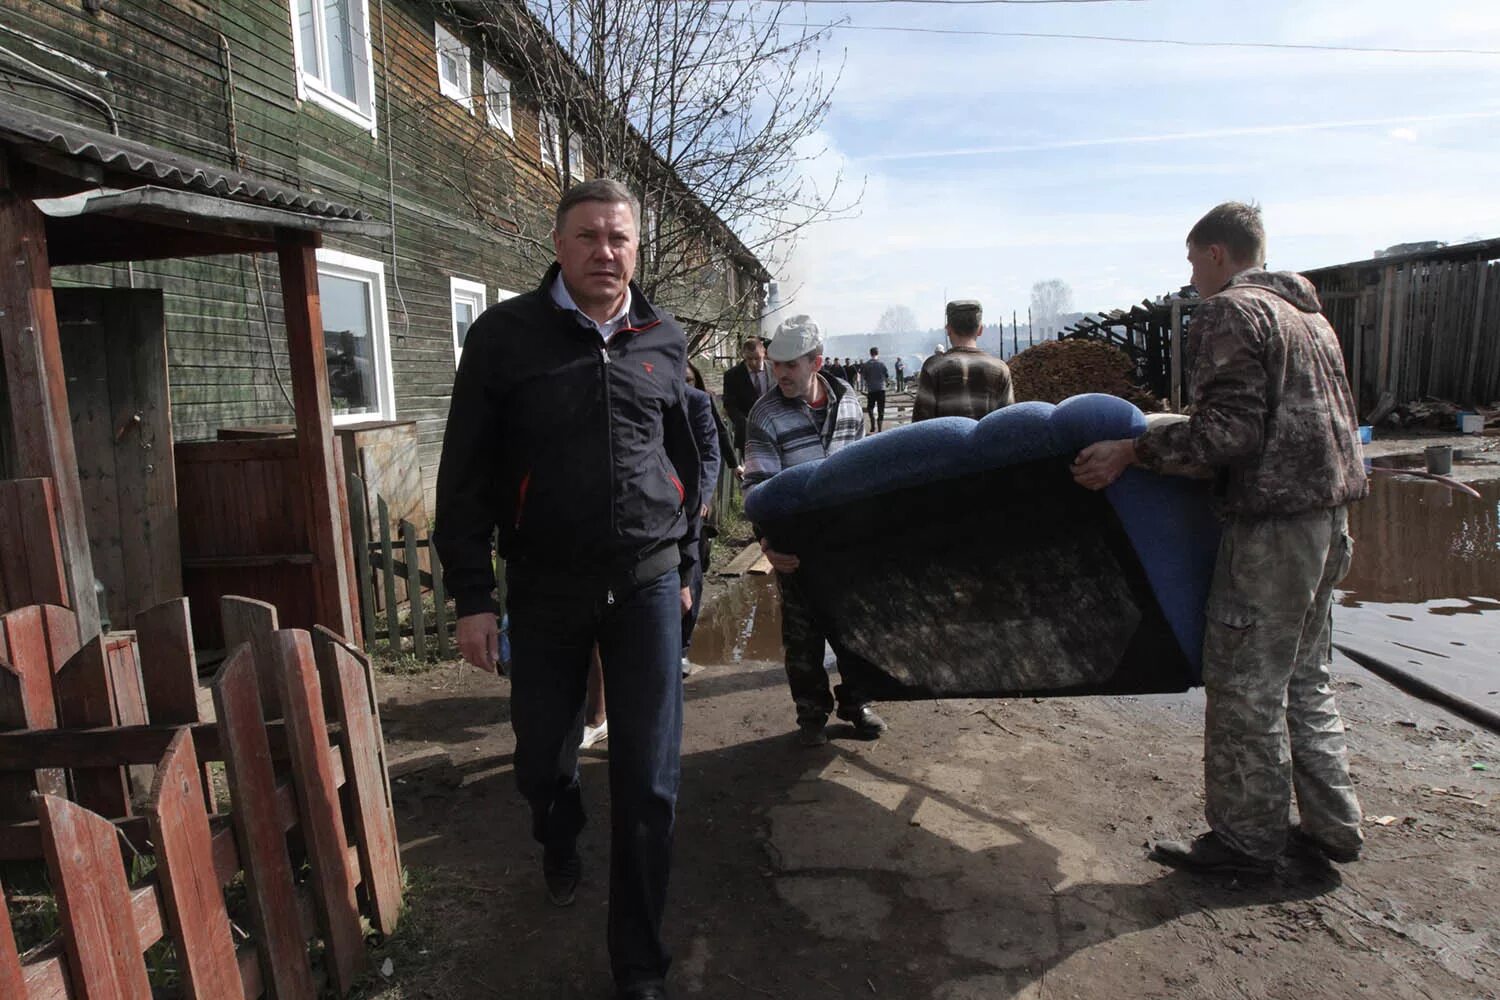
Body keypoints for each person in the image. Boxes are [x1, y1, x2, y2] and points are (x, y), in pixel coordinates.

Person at [434, 177, 700, 1000]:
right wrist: (474, 596)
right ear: (559, 244)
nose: (605, 252)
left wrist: (688, 566)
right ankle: (560, 831)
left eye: (619, 238)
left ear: (635, 248)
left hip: (648, 583)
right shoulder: (504, 337)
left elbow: (689, 455)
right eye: (588, 236)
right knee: (541, 764)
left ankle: (639, 964)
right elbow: (465, 475)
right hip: (545, 589)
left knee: (650, 784)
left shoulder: (664, 336)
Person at [1071, 201, 1367, 876]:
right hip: (1331, 521)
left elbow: (1227, 436)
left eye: (1190, 259)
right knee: (1304, 679)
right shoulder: (1311, 319)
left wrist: (1133, 449)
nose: (1190, 275)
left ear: (1214, 254)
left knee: (1243, 687)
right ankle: (1333, 827)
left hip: (1271, 531)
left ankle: (1245, 843)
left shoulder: (1232, 312)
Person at [742, 315, 888, 746]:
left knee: (853, 627)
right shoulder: (764, 415)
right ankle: (811, 714)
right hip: (797, 543)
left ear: (816, 362)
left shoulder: (849, 402)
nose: (780, 374)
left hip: (845, 540)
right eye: (776, 364)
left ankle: (856, 703)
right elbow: (757, 487)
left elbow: (863, 467)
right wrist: (768, 543)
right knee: (803, 635)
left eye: (790, 365)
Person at [682, 362, 729, 669]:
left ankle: (682, 647)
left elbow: (712, 451)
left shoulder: (699, 403)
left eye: (688, 379)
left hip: (694, 506)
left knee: (692, 575)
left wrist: (703, 495)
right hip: (656, 506)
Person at [912, 301, 1015, 422]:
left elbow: (920, 423)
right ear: (980, 330)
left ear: (948, 329)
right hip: (985, 441)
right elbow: (1008, 423)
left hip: (946, 441)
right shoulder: (1000, 369)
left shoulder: (933, 367)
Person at [722, 336, 772, 464]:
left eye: (757, 358)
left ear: (764, 354)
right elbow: (729, 404)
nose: (754, 363)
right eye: (749, 359)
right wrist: (743, 423)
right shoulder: (732, 375)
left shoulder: (775, 369)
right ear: (743, 356)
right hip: (748, 434)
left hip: (775, 429)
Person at [861, 347, 890, 432]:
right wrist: (887, 383)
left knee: (870, 408)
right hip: (881, 389)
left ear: (870, 354)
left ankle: (873, 424)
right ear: (878, 353)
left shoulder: (866, 365)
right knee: (881, 409)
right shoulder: (882, 364)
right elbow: (886, 375)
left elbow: (864, 377)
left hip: (871, 390)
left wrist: (864, 386)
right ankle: (880, 429)